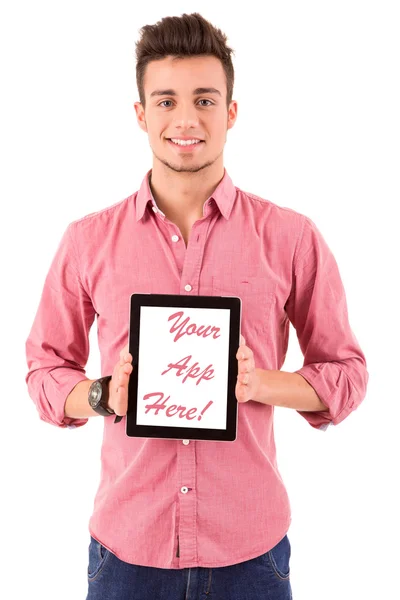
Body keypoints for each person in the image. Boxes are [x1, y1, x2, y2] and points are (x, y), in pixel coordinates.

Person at [25, 11, 369, 600]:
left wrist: (260, 383)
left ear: (231, 112)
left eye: (205, 100)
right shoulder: (88, 239)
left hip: (251, 558)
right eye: (165, 101)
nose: (186, 119)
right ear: (140, 115)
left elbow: (346, 376)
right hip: (126, 555)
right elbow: (44, 372)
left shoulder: (291, 237)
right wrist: (107, 394)